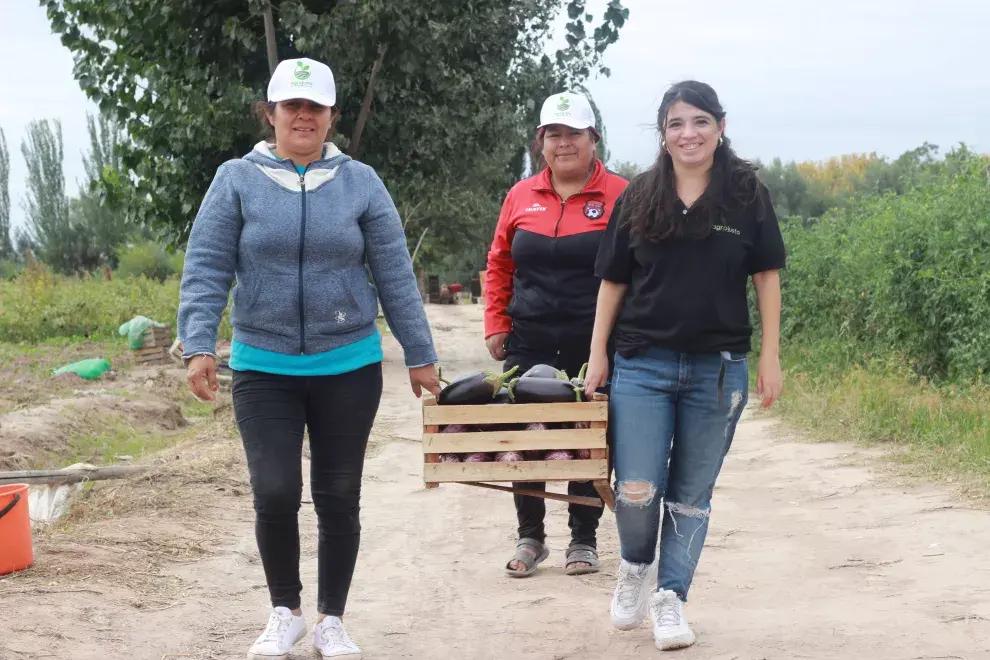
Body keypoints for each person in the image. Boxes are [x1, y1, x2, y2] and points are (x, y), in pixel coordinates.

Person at [177, 57, 440, 660]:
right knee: (274, 490)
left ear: (331, 117)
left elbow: (395, 273)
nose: (303, 116)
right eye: (291, 106)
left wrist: (420, 353)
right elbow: (207, 265)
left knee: (337, 494)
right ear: (270, 114)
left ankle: (331, 620)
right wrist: (197, 345)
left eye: (314, 107)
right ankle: (285, 612)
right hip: (263, 363)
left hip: (348, 363)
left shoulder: (361, 182)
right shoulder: (236, 179)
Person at [583, 80, 786, 650]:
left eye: (699, 121)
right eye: (676, 123)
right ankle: (634, 565)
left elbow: (766, 276)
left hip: (718, 369)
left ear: (720, 127)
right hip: (642, 365)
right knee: (638, 489)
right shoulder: (640, 195)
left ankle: (671, 599)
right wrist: (597, 353)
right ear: (663, 134)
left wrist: (770, 355)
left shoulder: (747, 195)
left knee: (692, 495)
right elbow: (613, 279)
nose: (688, 133)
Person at [484, 91, 629, 577]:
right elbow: (499, 262)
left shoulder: (622, 194)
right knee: (526, 434)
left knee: (588, 437)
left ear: (594, 139)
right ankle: (531, 537)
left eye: (573, 134)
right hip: (530, 337)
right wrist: (496, 321)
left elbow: (639, 270)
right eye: (553, 135)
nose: (563, 143)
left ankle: (583, 540)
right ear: (540, 143)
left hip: (597, 340)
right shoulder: (520, 195)